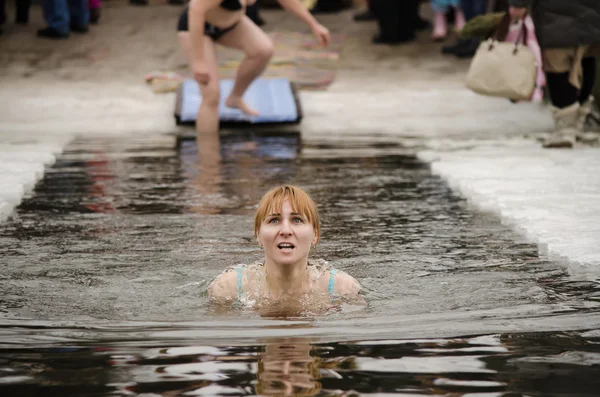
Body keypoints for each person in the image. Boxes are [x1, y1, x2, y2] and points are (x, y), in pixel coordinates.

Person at [207, 184, 362, 314]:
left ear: (315, 234)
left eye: (297, 220)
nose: (285, 230)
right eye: (274, 220)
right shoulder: (228, 289)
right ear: (258, 235)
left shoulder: (342, 289)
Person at [185, 0, 330, 136]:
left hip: (231, 25)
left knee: (263, 50)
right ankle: (208, 158)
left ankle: (235, 97)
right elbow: (195, 11)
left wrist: (314, 24)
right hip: (197, 28)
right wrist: (199, 61)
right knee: (211, 95)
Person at [508, 0, 600, 148]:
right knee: (586, 57)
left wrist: (518, 4)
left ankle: (566, 128)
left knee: (557, 65)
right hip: (590, 12)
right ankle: (578, 122)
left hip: (553, 13)